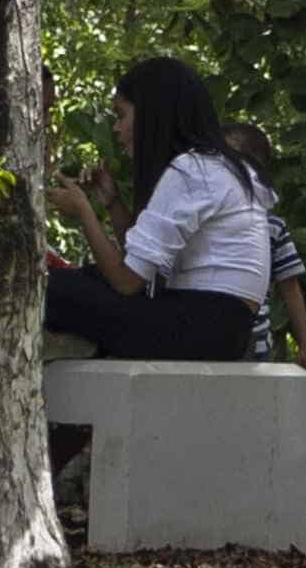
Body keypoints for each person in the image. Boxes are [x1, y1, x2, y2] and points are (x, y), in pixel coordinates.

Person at [40, 58, 269, 361]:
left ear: (151, 115)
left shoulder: (191, 170)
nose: (117, 129)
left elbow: (127, 282)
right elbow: (140, 265)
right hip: (221, 327)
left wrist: (84, 210)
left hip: (207, 325)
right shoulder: (215, 164)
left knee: (47, 286)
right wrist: (112, 202)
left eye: (121, 116)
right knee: (88, 278)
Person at [217, 120, 306, 372]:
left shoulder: (271, 226)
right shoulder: (205, 221)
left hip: (252, 342)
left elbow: (290, 287)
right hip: (209, 332)